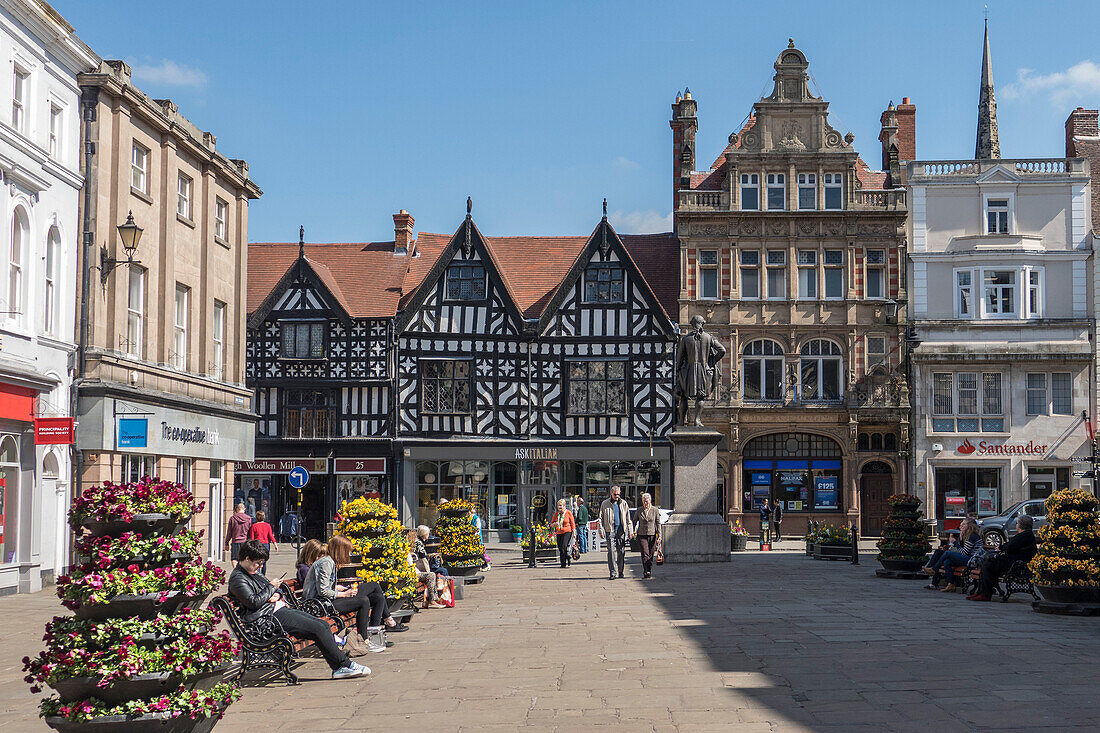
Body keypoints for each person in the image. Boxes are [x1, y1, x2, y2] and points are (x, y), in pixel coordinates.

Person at [228, 540, 370, 680]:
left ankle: (340, 667)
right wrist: (271, 588)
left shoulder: (254, 573)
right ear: (247, 558)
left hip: (278, 610)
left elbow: (274, 592)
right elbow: (253, 602)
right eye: (258, 563)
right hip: (268, 619)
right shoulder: (238, 578)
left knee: (323, 625)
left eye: (262, 563)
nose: (260, 566)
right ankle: (344, 665)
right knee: (317, 628)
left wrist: (276, 593)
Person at [304, 535, 396, 652]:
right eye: (347, 551)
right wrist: (345, 594)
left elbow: (325, 587)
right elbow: (322, 592)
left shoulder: (330, 562)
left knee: (377, 597)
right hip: (321, 604)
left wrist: (339, 589)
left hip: (327, 600)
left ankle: (372, 636)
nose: (348, 555)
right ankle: (364, 640)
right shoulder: (326, 563)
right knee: (364, 600)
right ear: (341, 551)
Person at [969, 515, 1037, 602]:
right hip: (1012, 562)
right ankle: (981, 592)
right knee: (987, 564)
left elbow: (1010, 547)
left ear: (1019, 525)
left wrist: (1000, 548)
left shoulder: (1024, 535)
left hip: (1015, 565)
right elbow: (1010, 545)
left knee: (987, 566)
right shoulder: (1026, 535)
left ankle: (985, 594)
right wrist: (1002, 547)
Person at [924, 518, 982, 591]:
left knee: (948, 553)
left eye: (964, 524)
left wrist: (955, 542)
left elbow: (964, 552)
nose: (961, 526)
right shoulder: (966, 535)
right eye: (961, 524)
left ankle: (933, 569)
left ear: (970, 526)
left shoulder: (973, 536)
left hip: (972, 560)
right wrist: (960, 539)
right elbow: (961, 550)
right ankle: (949, 584)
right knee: (944, 558)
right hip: (966, 557)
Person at [598, 485, 633, 580]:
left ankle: (620, 571)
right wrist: (601, 530)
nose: (617, 496)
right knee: (611, 552)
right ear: (611, 493)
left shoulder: (623, 503)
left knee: (621, 551)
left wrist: (630, 531)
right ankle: (613, 572)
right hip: (610, 531)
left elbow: (628, 518)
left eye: (618, 494)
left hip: (621, 531)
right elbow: (600, 518)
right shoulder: (605, 503)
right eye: (615, 494)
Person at [406, 529, 447, 609]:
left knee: (431, 575)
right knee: (432, 575)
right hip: (413, 573)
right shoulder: (416, 545)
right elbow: (421, 558)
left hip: (413, 571)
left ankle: (427, 601)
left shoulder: (408, 547)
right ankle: (434, 599)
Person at [633, 492, 660, 579]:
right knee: (645, 553)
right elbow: (634, 521)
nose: (645, 503)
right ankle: (646, 571)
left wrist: (659, 535)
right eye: (644, 501)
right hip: (642, 535)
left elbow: (658, 523)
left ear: (650, 501)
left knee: (651, 554)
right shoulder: (639, 510)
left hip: (652, 535)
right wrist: (632, 531)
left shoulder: (655, 510)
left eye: (646, 501)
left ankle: (649, 569)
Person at [247, 510, 278, 575]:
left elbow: (252, 538)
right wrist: (275, 544)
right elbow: (271, 536)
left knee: (256, 561)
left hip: (257, 544)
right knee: (264, 561)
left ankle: (257, 574)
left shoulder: (254, 526)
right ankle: (263, 575)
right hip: (266, 544)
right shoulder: (268, 525)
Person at [550, 499, 576, 569]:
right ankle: (567, 556)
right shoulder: (556, 514)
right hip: (559, 532)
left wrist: (574, 532)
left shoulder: (568, 513)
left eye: (561, 506)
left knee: (563, 547)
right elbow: (551, 524)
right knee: (560, 548)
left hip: (567, 531)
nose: (559, 507)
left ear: (564, 506)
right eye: (558, 506)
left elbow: (572, 523)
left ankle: (563, 564)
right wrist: (554, 524)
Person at [224, 503, 252, 567]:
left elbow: (229, 532)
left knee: (234, 559)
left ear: (237, 509)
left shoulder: (233, 518)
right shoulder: (248, 519)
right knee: (244, 559)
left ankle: (236, 572)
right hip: (245, 542)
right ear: (244, 509)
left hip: (235, 542)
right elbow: (250, 531)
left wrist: (226, 543)